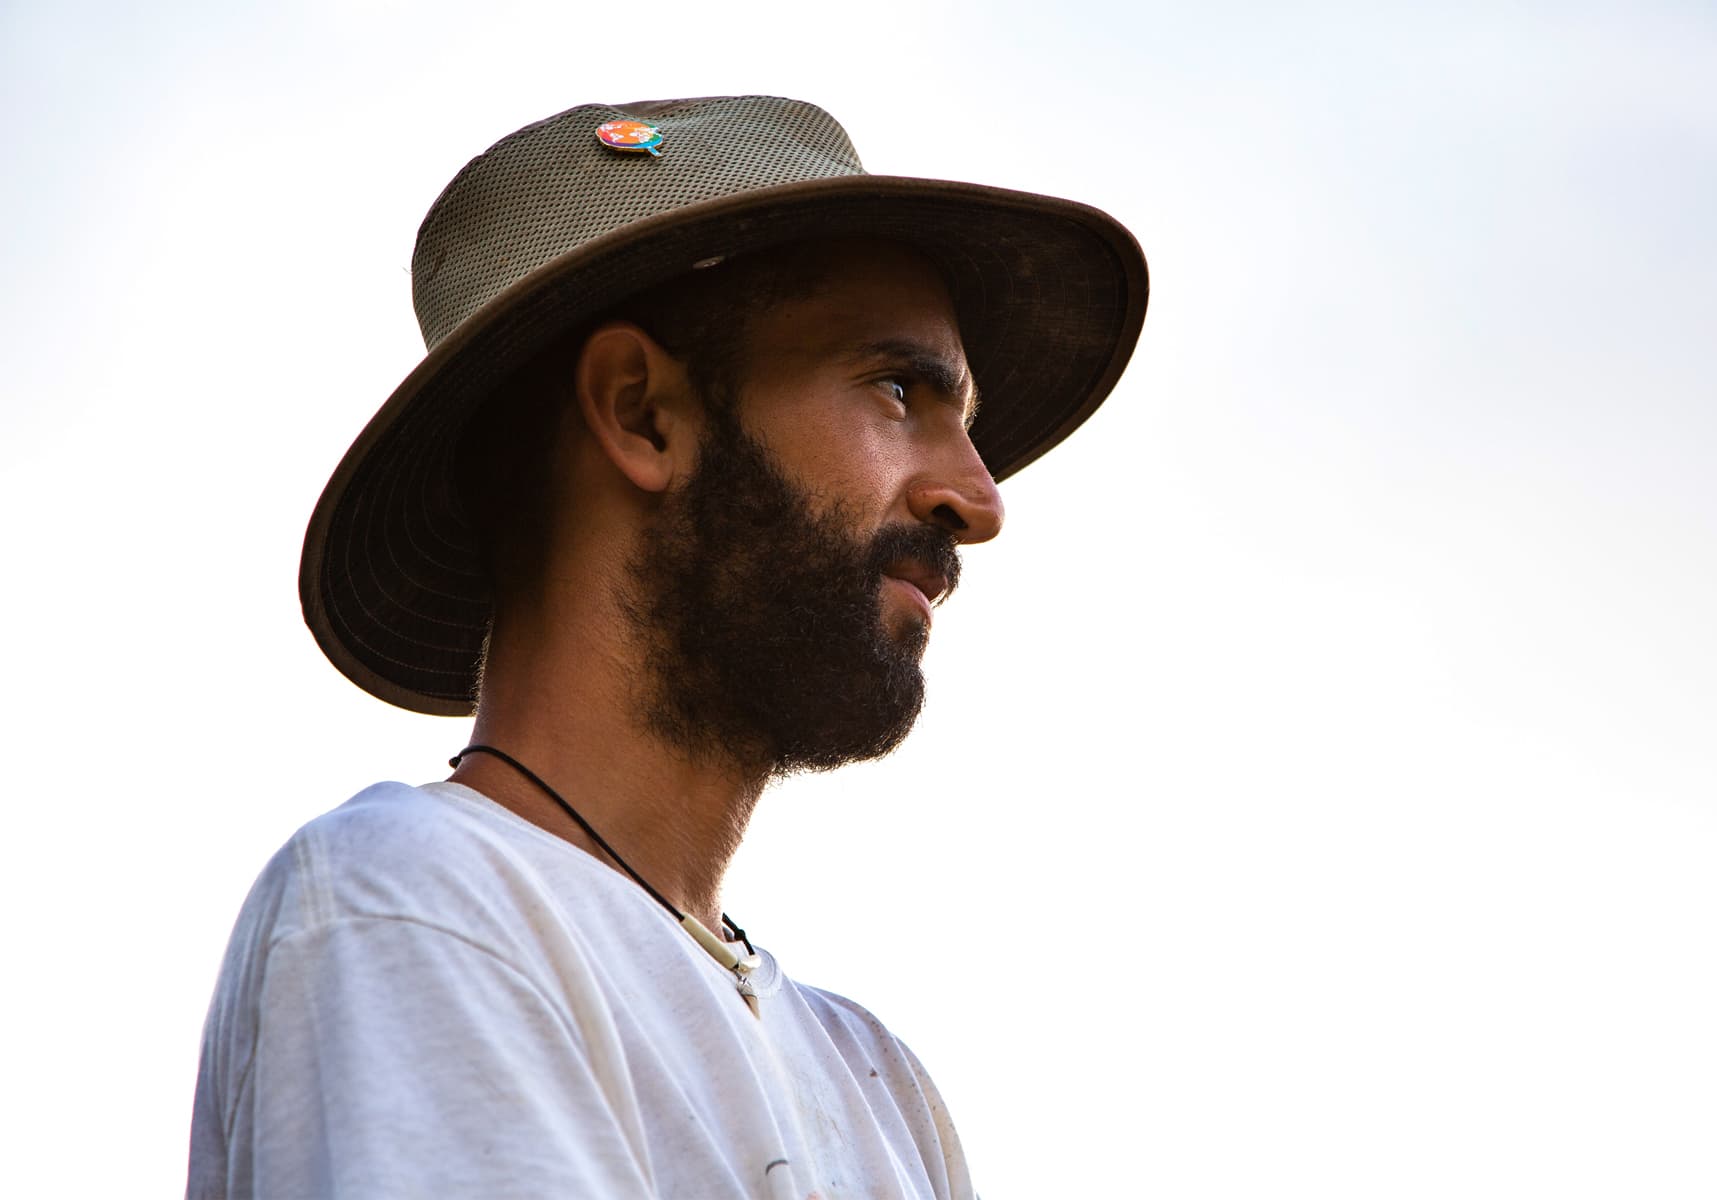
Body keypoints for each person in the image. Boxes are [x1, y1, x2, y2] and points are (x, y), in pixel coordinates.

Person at [187, 95, 1147, 1198]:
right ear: (643, 413)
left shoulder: (880, 1085)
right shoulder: (415, 900)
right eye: (898, 391)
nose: (978, 500)